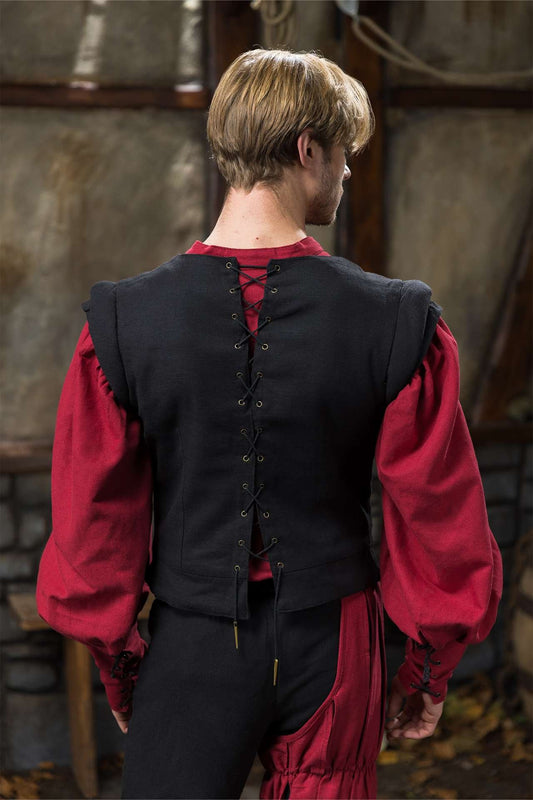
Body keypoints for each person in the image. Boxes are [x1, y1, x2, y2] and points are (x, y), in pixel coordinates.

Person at [36, 48, 503, 800]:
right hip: (335, 644)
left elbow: (94, 518)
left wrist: (120, 663)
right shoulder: (395, 319)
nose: (346, 173)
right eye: (344, 153)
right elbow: (438, 512)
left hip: (191, 642)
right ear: (307, 149)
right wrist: (426, 669)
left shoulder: (125, 320)